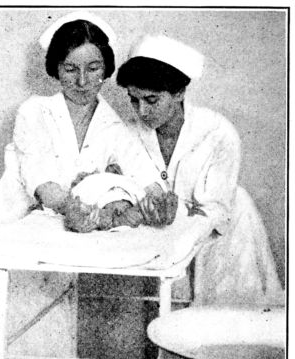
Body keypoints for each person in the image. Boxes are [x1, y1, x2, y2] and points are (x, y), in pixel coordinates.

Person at [0, 11, 146, 359]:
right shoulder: (34, 111)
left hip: (56, 230)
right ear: (55, 69)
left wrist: (145, 197)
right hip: (5, 218)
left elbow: (140, 175)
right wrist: (75, 207)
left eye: (93, 68)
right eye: (70, 69)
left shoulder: (114, 124)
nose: (82, 81)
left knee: (39, 319)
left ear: (106, 69)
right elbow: (41, 181)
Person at [115, 34, 284, 307]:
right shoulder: (125, 133)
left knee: (227, 314)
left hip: (225, 233)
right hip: (160, 237)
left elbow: (215, 208)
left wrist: (174, 219)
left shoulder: (217, 132)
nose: (142, 111)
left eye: (151, 100)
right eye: (134, 100)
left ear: (179, 93)